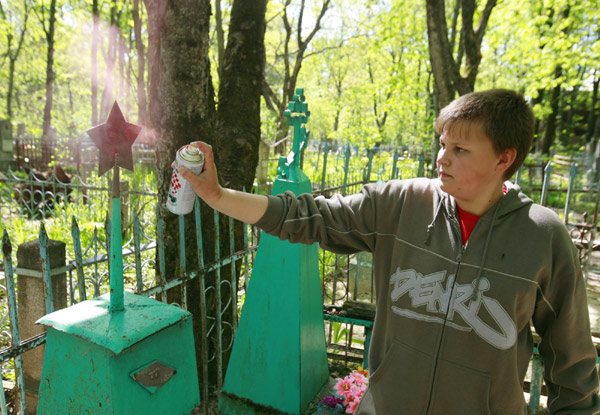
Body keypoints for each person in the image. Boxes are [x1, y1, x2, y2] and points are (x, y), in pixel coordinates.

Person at [179, 89, 600, 414]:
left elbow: (573, 366)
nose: (441, 159)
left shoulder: (543, 237)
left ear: (503, 159)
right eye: (442, 144)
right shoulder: (402, 204)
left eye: (460, 150)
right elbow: (307, 216)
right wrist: (217, 196)